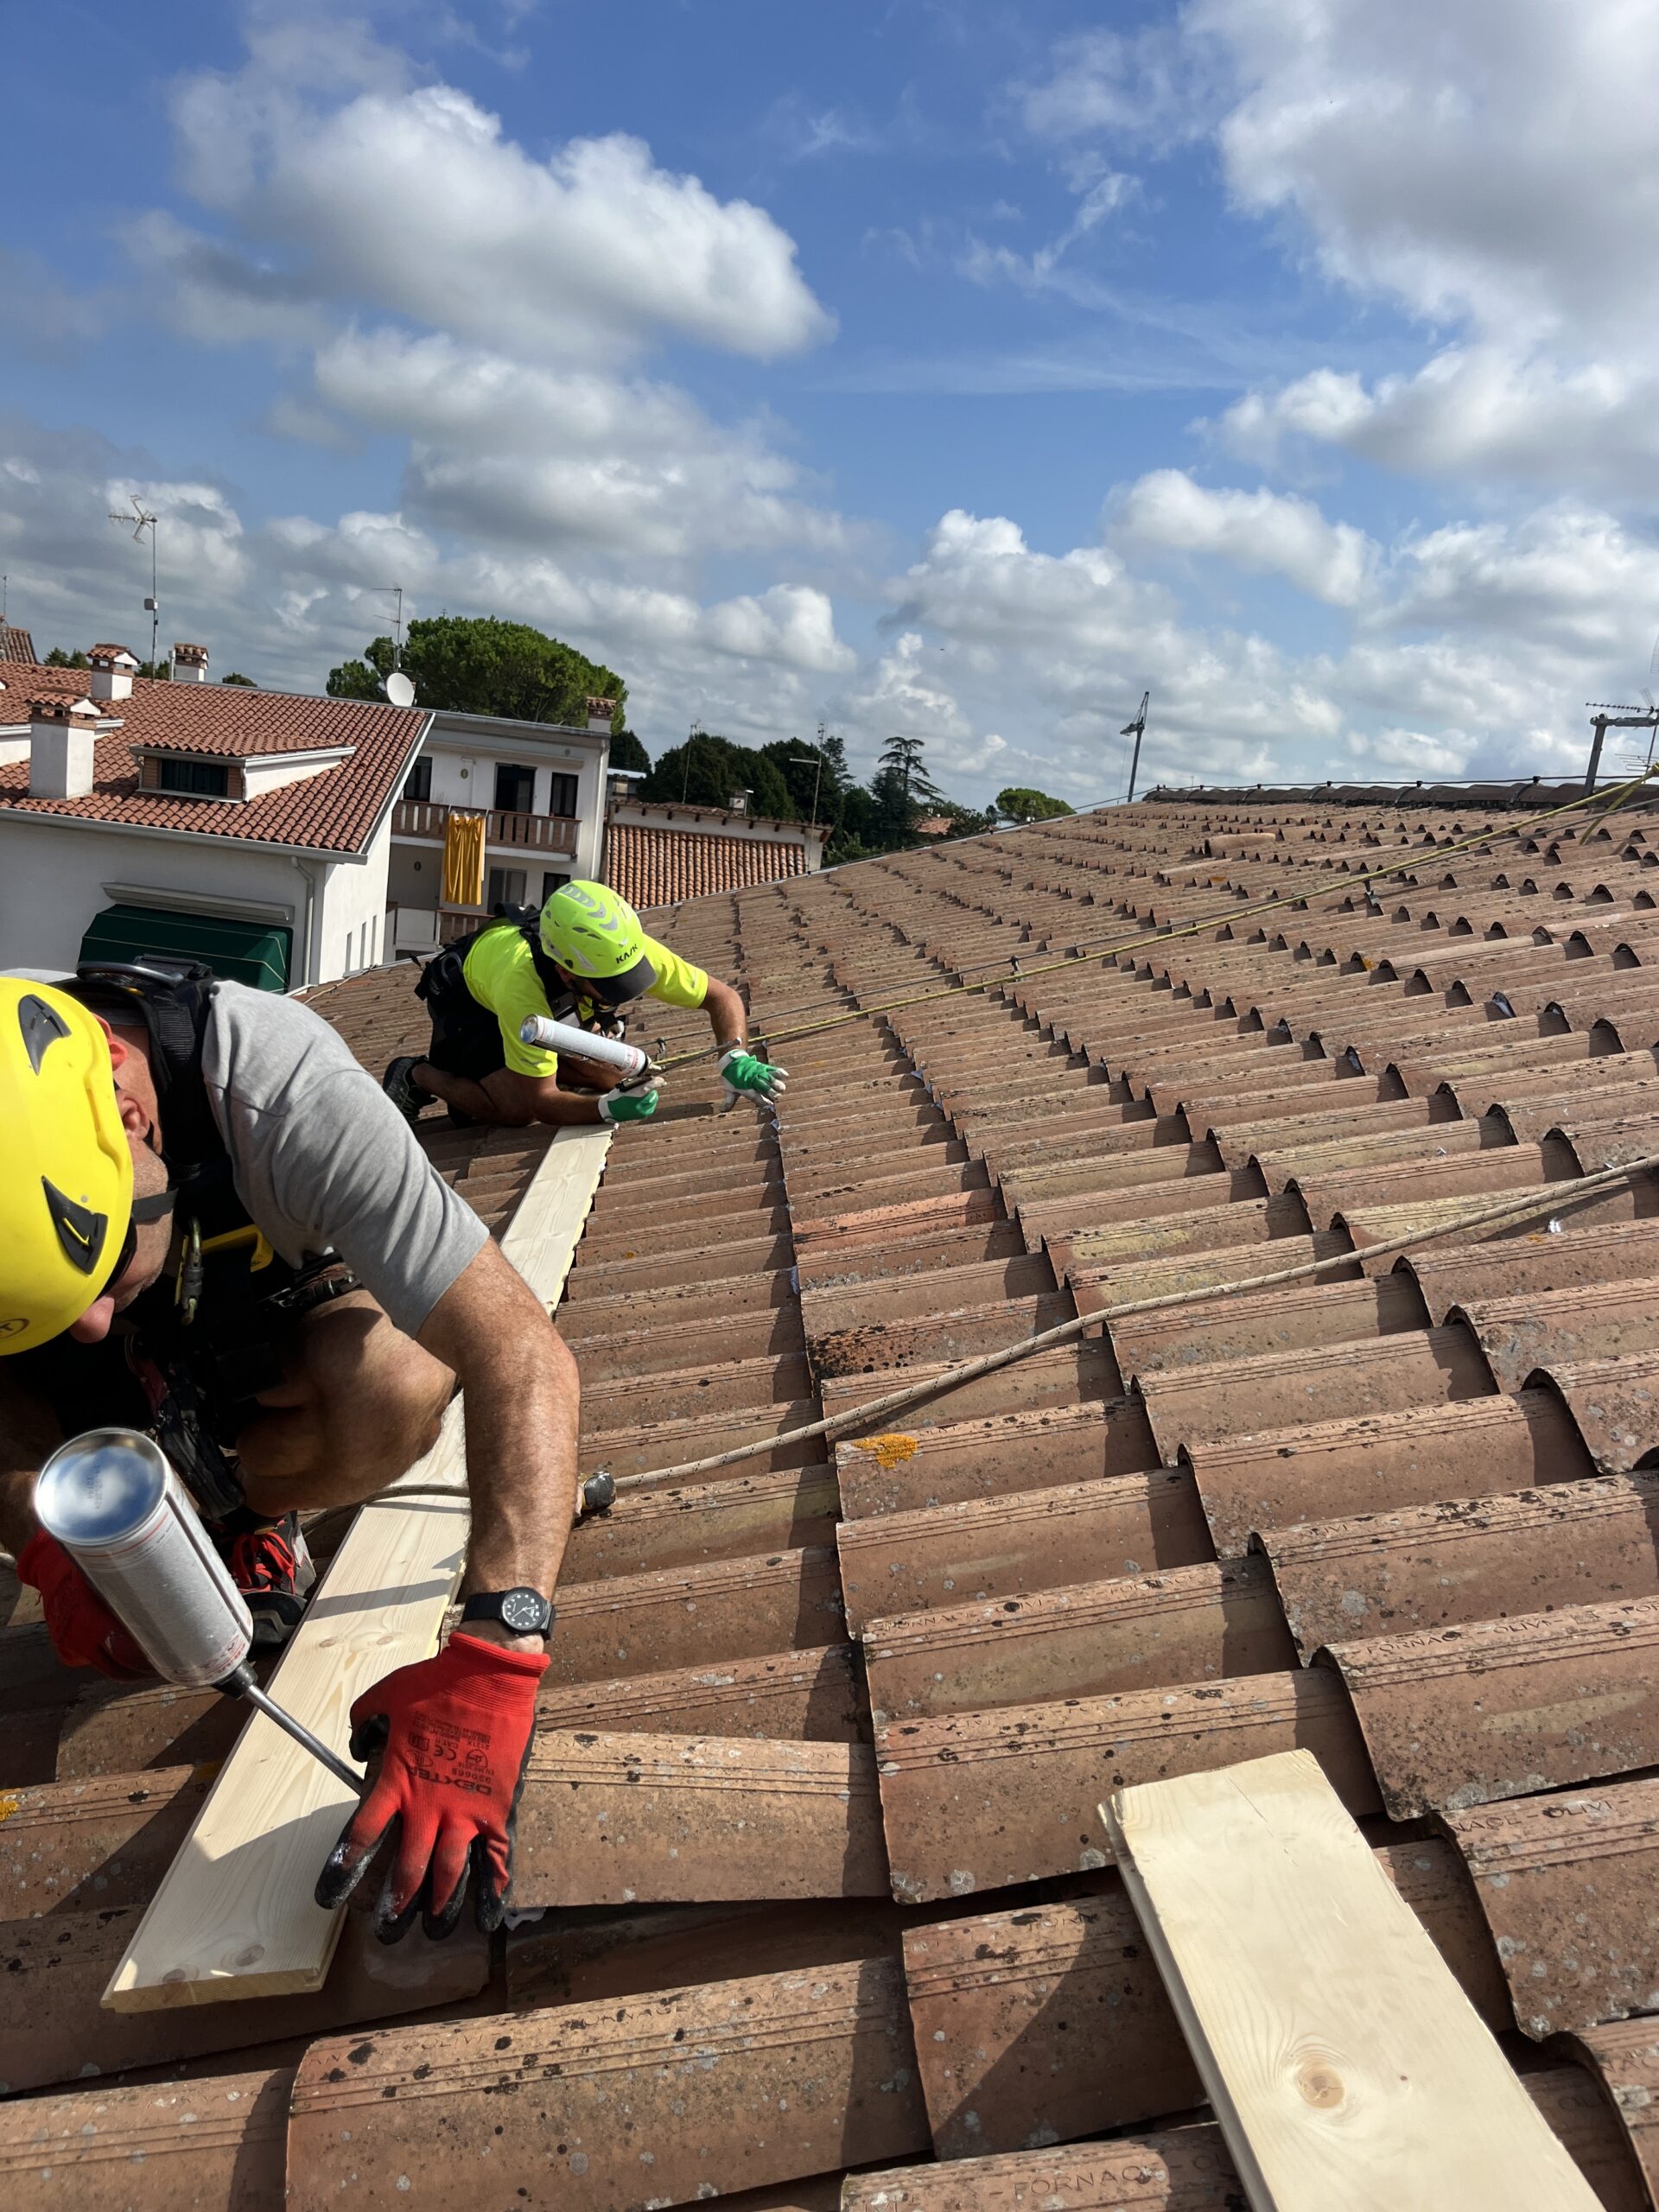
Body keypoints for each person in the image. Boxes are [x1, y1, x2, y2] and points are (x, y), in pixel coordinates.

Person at [0, 963, 578, 1942]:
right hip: (82, 1419)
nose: (92, 1321)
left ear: (131, 1115)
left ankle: (251, 1519)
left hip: (251, 1350)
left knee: (394, 1382)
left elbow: (524, 1354)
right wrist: (41, 1535)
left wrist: (498, 1651)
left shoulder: (283, 1092)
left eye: (100, 1265)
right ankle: (125, 1515)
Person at [382, 879, 785, 1129]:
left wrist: (735, 1057)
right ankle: (416, 1075)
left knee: (617, 1076)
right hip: (471, 1009)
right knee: (514, 1111)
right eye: (611, 986)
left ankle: (561, 1064)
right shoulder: (521, 988)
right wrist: (606, 1111)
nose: (624, 991)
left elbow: (722, 997)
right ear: (567, 973)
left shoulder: (618, 946)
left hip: (546, 998)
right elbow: (540, 1104)